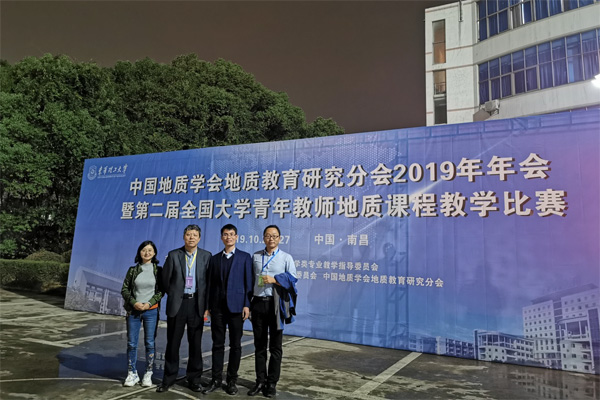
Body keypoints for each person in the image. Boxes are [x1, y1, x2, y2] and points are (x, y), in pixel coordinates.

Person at [157, 225, 211, 393]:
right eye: (188, 234)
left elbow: (208, 284)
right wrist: (175, 294)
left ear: (199, 238)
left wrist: (207, 307)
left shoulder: (206, 256)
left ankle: (194, 379)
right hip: (178, 305)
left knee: (195, 344)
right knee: (173, 343)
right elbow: (165, 280)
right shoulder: (174, 255)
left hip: (196, 304)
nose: (191, 238)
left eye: (195, 235)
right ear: (183, 236)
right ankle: (168, 379)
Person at [202, 224, 253, 395]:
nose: (229, 237)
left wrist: (247, 304)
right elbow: (209, 285)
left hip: (237, 308)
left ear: (236, 237)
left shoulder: (245, 257)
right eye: (225, 234)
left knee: (235, 345)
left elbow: (249, 284)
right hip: (217, 308)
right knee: (217, 344)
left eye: (231, 234)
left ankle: (231, 381)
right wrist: (207, 307)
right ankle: (216, 379)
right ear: (221, 237)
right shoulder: (215, 259)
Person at [248, 225, 297, 398]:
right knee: (259, 346)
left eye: (275, 236)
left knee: (275, 347)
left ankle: (271, 383)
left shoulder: (286, 257)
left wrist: (275, 280)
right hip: (258, 304)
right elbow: (250, 280)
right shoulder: (255, 257)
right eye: (268, 236)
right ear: (263, 238)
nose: (271, 239)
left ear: (279, 238)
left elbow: (293, 279)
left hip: (275, 305)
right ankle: (260, 381)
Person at [120, 240, 163, 387]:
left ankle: (148, 373)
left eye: (150, 250)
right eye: (144, 250)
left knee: (149, 343)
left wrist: (149, 303)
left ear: (154, 253)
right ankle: (132, 373)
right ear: (139, 252)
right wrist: (134, 303)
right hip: (134, 311)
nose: (147, 253)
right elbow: (124, 289)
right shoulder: (133, 270)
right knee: (132, 343)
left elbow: (161, 291)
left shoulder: (158, 270)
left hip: (151, 311)